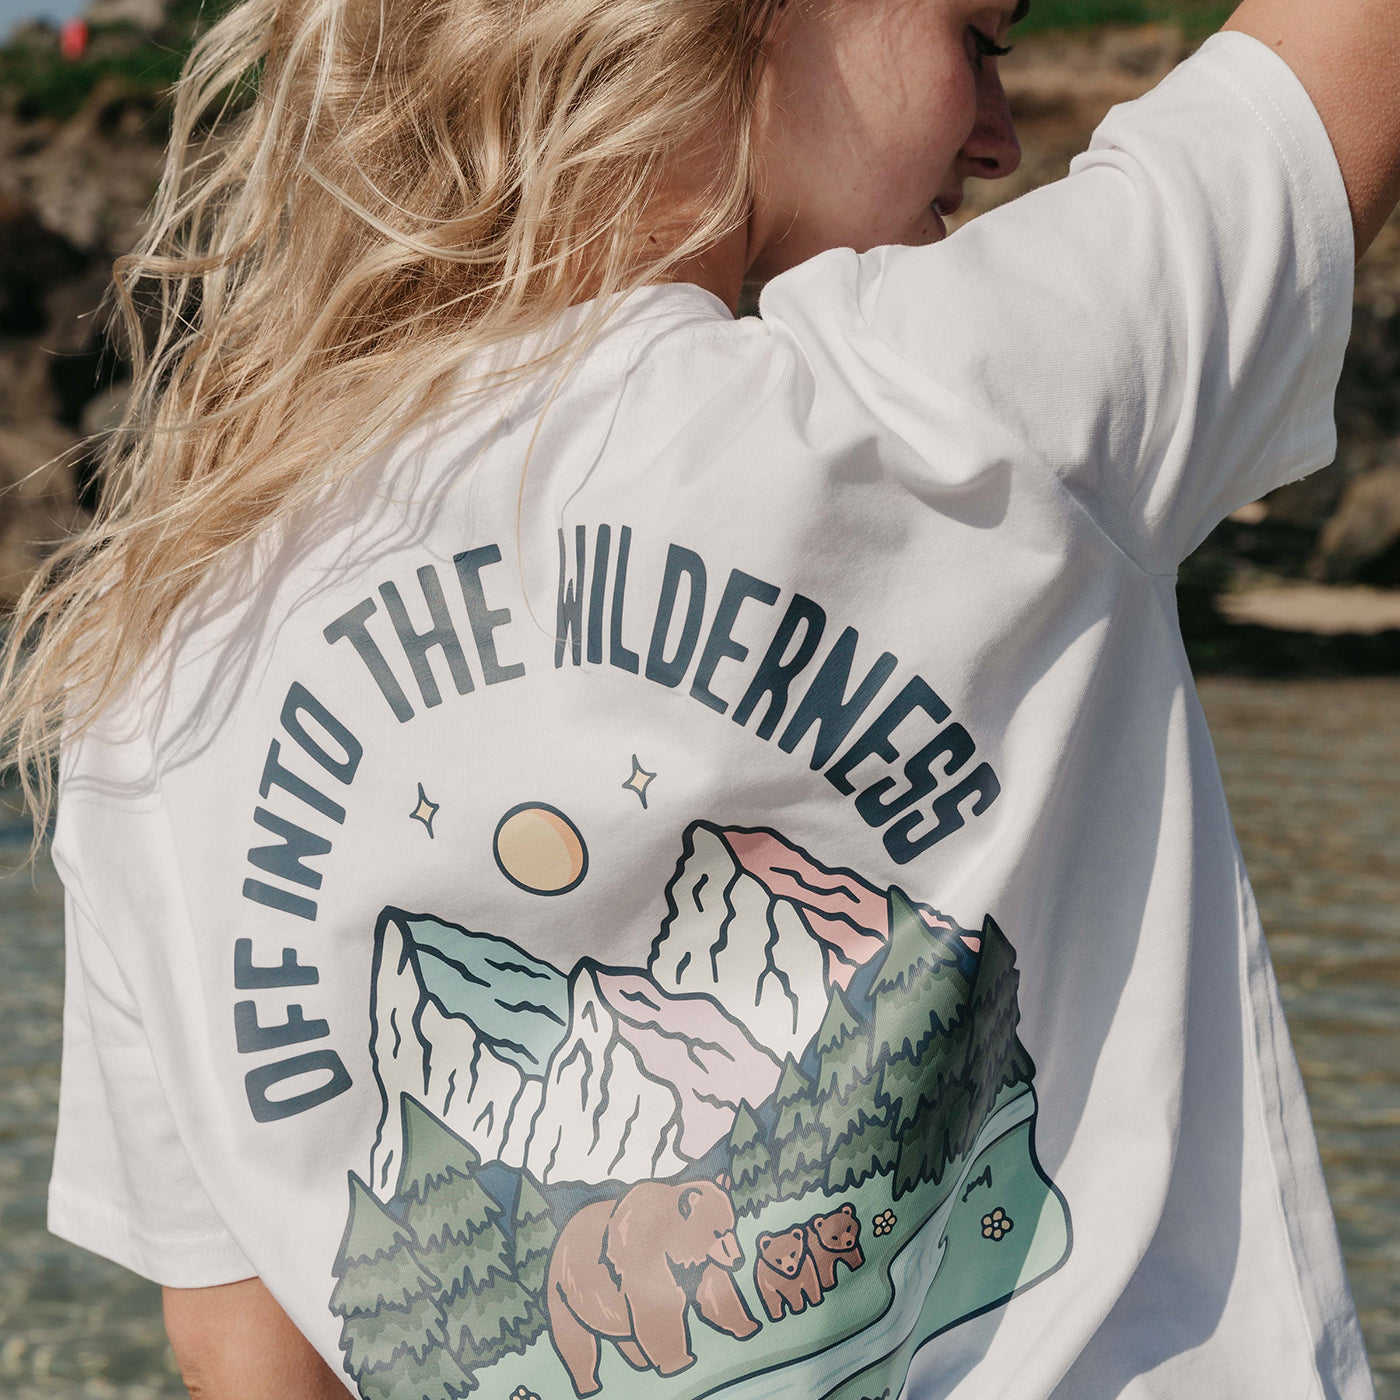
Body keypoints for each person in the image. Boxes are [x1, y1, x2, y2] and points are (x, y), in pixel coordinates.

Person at [2, 0, 1397, 1395]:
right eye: (979, 38)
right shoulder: (969, 409)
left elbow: (245, 1353)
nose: (1001, 133)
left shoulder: (157, 666)